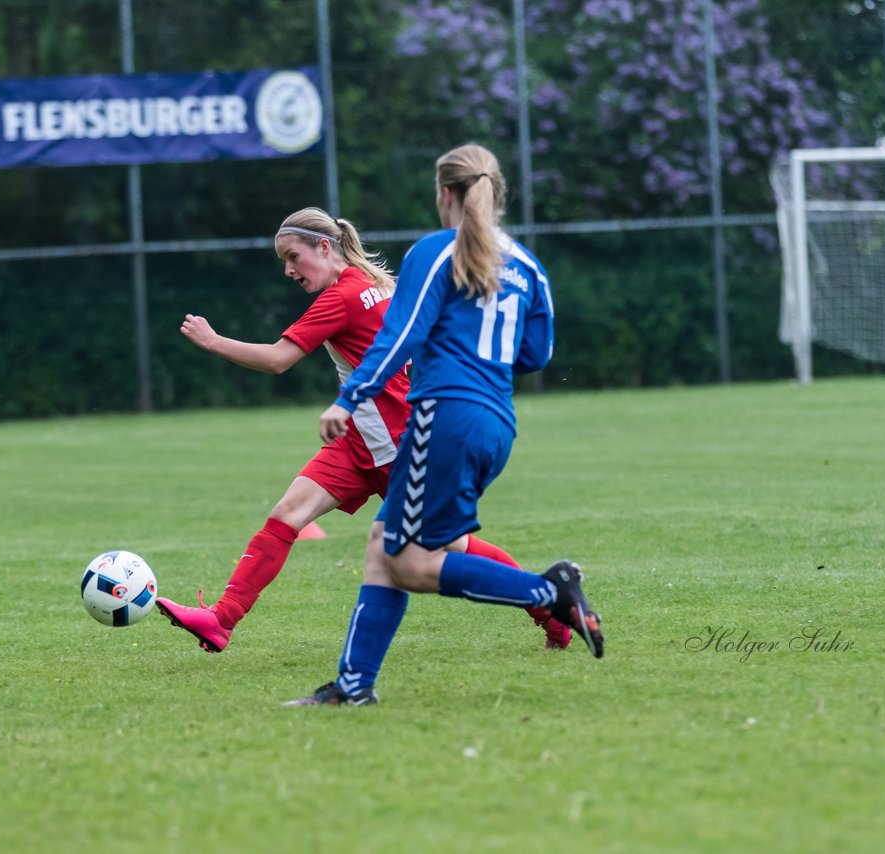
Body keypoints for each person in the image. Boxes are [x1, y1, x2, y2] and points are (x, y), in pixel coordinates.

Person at [155, 206, 571, 653]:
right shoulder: (376, 285)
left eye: (294, 257)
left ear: (324, 246)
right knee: (287, 514)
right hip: (359, 445)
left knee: (450, 546)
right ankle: (221, 619)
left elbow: (279, 360)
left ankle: (549, 604)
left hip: (403, 447)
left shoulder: (341, 297)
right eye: (284, 263)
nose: (289, 271)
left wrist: (212, 340)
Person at [286, 144, 603, 707]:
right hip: (495, 425)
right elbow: (536, 353)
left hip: (443, 419)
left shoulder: (435, 253)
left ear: (445, 194)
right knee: (385, 543)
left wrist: (351, 396)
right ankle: (353, 687)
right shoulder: (528, 266)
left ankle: (548, 591)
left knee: (410, 562)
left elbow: (400, 335)